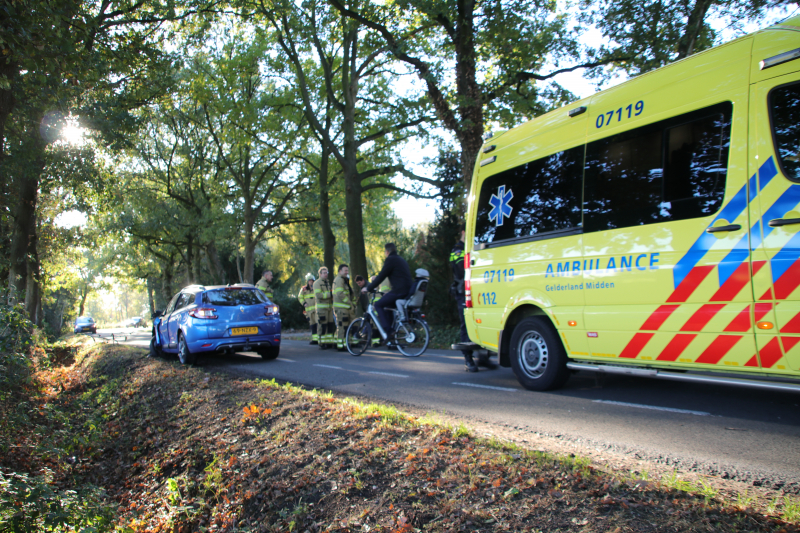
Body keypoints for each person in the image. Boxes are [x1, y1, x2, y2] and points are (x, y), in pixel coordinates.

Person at [451, 229, 497, 372]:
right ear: (464, 232)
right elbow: (461, 269)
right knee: (466, 325)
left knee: (485, 322)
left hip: (479, 290)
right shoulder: (457, 250)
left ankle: (484, 358)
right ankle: (468, 359)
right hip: (464, 291)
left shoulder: (476, 247)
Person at [363, 243, 412, 342]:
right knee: (387, 307)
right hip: (407, 291)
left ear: (387, 251)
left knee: (378, 305)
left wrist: (368, 288)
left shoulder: (390, 260)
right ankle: (392, 339)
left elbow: (381, 276)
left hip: (399, 291)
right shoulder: (401, 260)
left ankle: (389, 331)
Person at [332, 264, 355, 351]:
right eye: (345, 270)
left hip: (345, 308)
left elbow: (349, 293)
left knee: (346, 327)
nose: (347, 272)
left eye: (347, 270)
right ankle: (340, 346)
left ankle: (345, 344)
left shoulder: (344, 280)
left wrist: (353, 303)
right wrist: (349, 303)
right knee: (342, 327)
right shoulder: (339, 280)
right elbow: (340, 294)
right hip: (341, 309)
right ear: (340, 271)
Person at [313, 267, 335, 349]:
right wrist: (330, 294)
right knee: (322, 326)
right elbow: (319, 295)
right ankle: (321, 343)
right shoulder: (316, 283)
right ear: (320, 274)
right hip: (321, 309)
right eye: (324, 273)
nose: (326, 274)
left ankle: (329, 342)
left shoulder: (327, 283)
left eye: (327, 272)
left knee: (330, 325)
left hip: (329, 309)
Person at [298, 273, 318, 345]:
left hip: (316, 310)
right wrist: (304, 303)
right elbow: (300, 297)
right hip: (309, 311)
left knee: (318, 324)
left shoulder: (316, 288)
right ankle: (314, 339)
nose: (311, 282)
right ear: (307, 281)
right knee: (312, 325)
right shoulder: (304, 289)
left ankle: (320, 339)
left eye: (312, 281)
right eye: (310, 281)